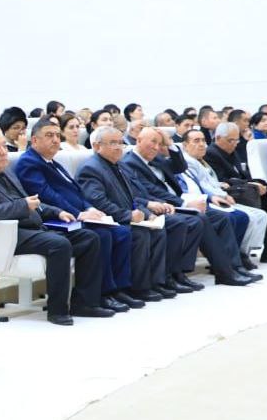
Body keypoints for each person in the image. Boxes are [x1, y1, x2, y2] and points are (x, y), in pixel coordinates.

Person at [0, 131, 110, 324]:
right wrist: (22, 206)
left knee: (89, 238)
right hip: (8, 234)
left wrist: (57, 211)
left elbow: (33, 202)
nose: (3, 152)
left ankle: (84, 302)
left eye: (4, 146)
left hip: (32, 228)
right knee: (59, 244)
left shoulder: (7, 172)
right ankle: (57, 310)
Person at [16, 118, 145, 312]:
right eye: (49, 136)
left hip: (74, 215)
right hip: (55, 219)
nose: (55, 140)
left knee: (122, 232)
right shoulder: (29, 162)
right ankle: (98, 294)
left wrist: (89, 208)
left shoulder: (52, 162)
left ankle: (117, 289)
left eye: (57, 135)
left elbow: (76, 192)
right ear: (34, 140)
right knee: (103, 234)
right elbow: (47, 195)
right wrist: (79, 214)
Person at [122, 127, 256, 285]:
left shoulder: (155, 157)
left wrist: (170, 144)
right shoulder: (130, 163)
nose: (157, 147)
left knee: (221, 218)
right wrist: (185, 203)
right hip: (162, 204)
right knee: (198, 219)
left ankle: (233, 267)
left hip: (177, 201)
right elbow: (151, 190)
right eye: (153, 142)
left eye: (159, 143)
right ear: (138, 140)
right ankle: (208, 273)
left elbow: (180, 167)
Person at [75, 126, 186, 300]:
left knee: (157, 230)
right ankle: (134, 287)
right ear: (97, 146)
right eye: (113, 143)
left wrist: (146, 213)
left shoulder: (118, 165)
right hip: (108, 219)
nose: (118, 147)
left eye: (120, 142)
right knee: (139, 234)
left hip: (126, 215)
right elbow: (99, 202)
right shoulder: (91, 168)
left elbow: (133, 196)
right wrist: (128, 215)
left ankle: (154, 282)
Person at [206, 122, 267, 263]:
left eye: (237, 140)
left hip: (242, 191)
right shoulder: (211, 154)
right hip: (231, 195)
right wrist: (250, 185)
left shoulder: (231, 152)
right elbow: (221, 180)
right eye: (230, 140)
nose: (234, 144)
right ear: (218, 138)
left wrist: (257, 183)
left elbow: (242, 175)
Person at [178, 127, 267, 264]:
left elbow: (209, 182)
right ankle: (232, 257)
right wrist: (220, 195)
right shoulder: (187, 162)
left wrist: (220, 186)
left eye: (203, 140)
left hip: (216, 196)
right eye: (196, 141)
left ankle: (241, 254)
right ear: (185, 145)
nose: (202, 144)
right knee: (239, 216)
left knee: (258, 215)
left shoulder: (200, 161)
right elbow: (202, 186)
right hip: (203, 200)